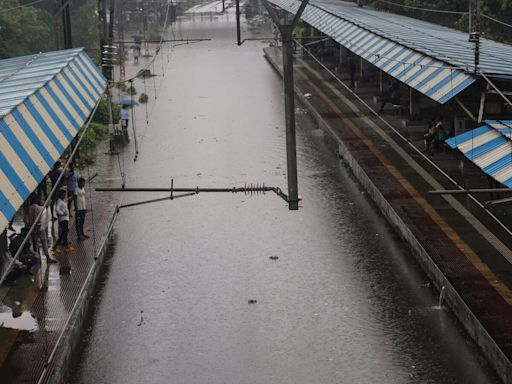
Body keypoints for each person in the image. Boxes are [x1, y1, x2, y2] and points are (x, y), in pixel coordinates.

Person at [27, 194, 58, 263]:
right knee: (44, 242)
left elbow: (29, 220)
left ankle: (37, 257)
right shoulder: (39, 208)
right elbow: (40, 219)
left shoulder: (29, 208)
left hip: (32, 228)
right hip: (40, 227)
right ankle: (47, 257)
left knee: (35, 243)